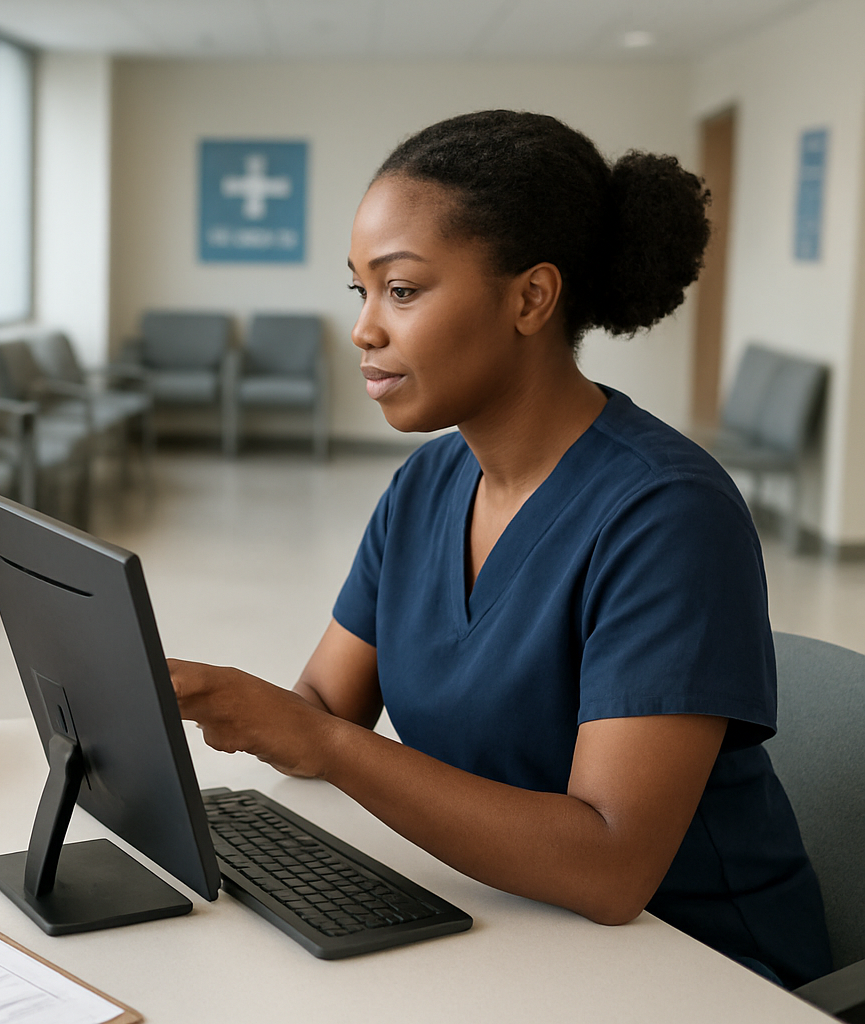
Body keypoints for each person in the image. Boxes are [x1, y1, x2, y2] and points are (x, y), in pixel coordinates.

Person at [170, 110, 831, 988]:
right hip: (506, 929)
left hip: (696, 972)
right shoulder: (426, 484)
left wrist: (319, 743)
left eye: (401, 290)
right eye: (358, 291)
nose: (365, 329)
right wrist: (213, 705)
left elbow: (611, 866)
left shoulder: (668, 514)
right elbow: (326, 707)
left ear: (530, 298)